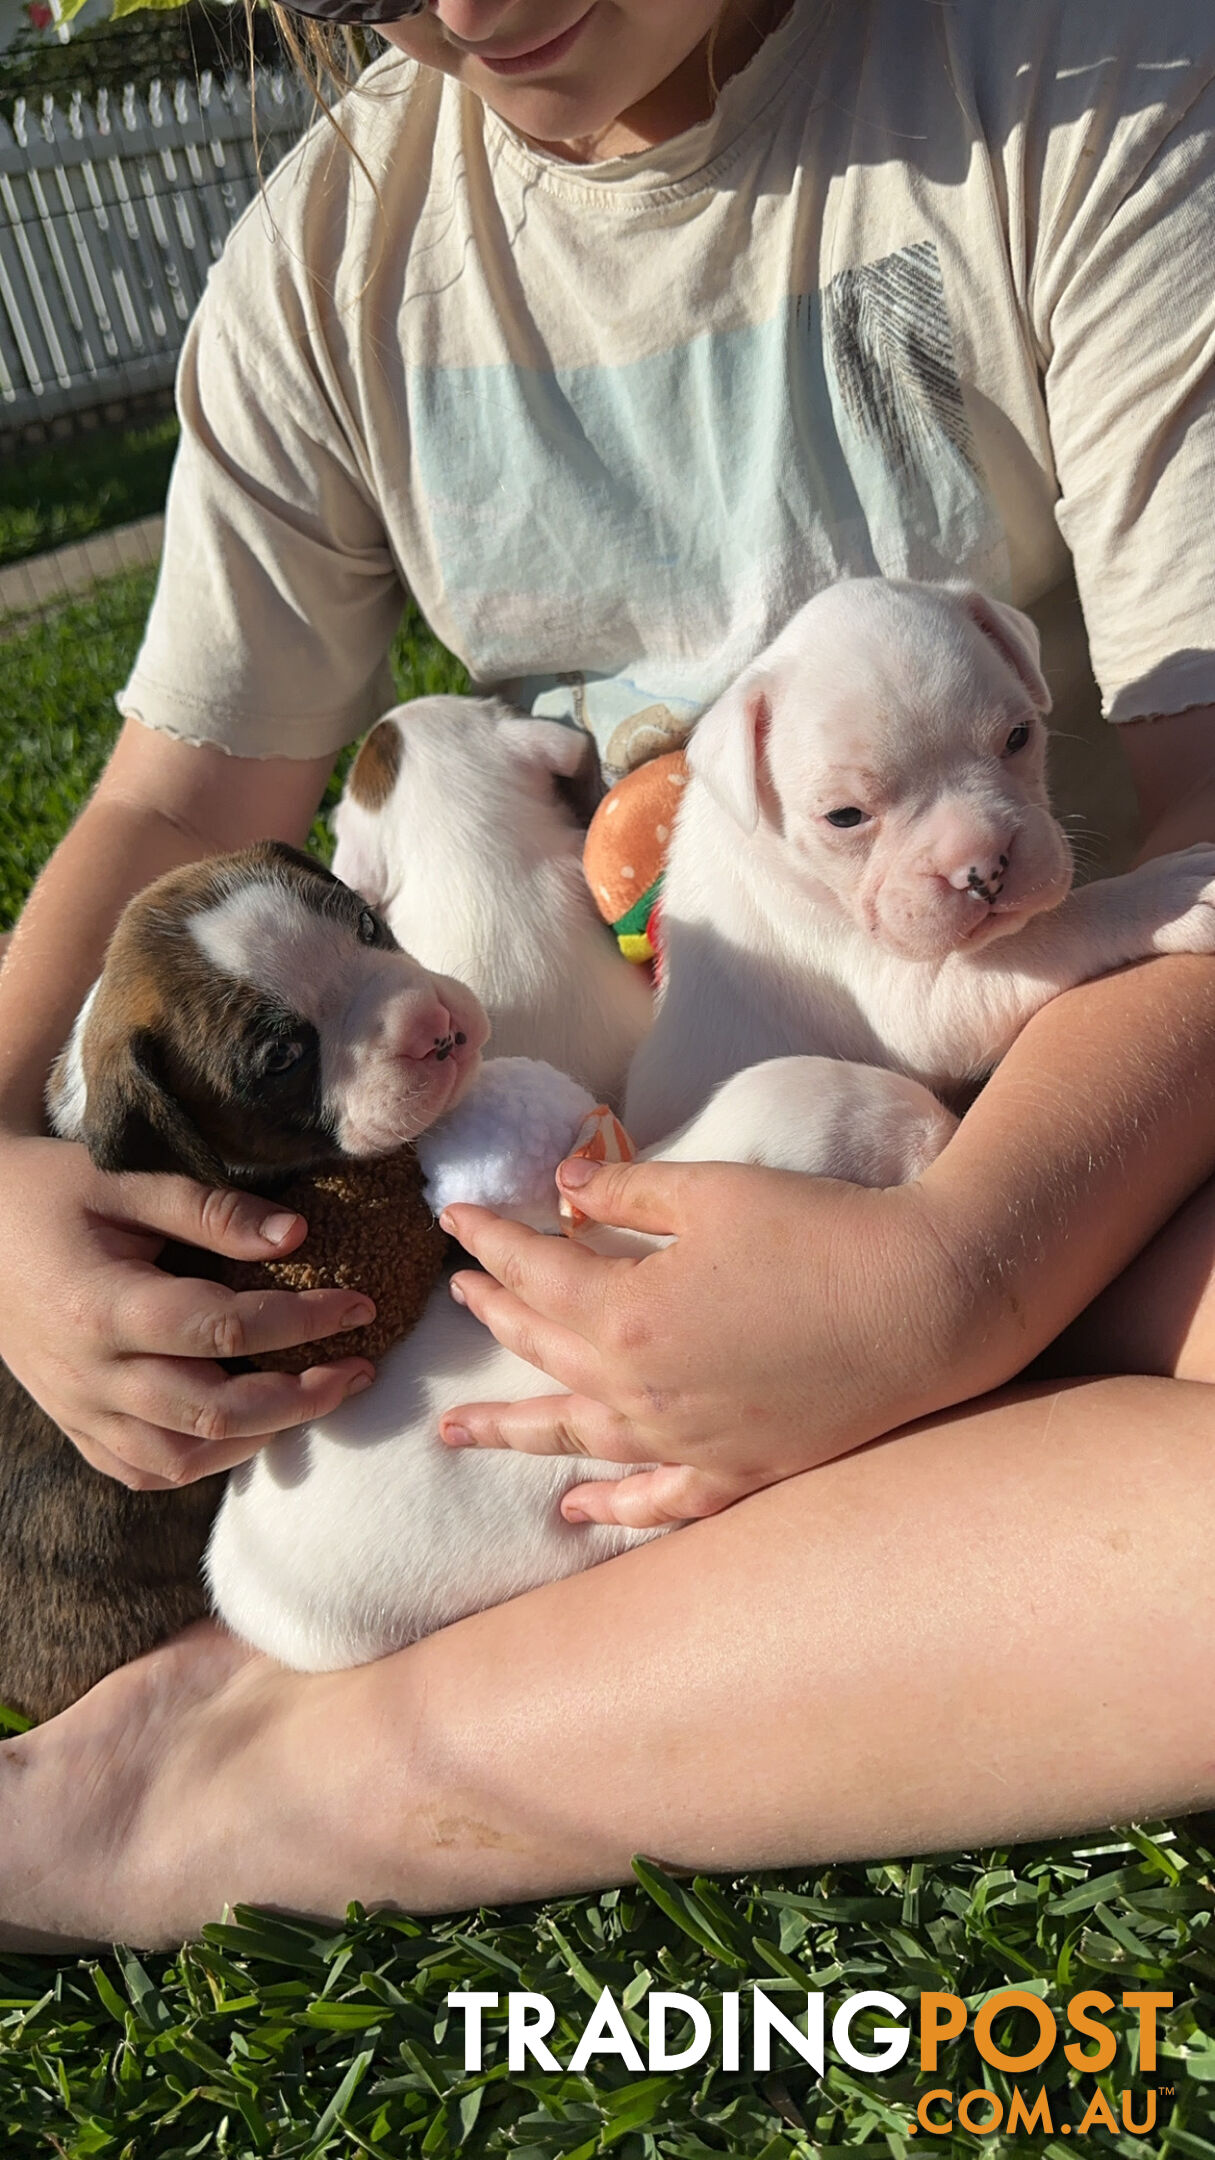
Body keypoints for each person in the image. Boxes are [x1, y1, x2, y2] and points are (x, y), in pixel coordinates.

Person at [1, 0, 1215, 1954]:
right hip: (573, 1187)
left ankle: (276, 1774)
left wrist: (966, 1270)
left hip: (1081, 1084)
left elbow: (1203, 810)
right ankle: (227, 1782)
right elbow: (170, 801)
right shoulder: (331, 261)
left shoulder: (1073, 78)